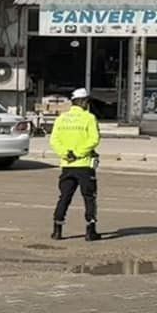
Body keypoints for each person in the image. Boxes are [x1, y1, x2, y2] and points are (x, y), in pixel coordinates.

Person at [50, 88, 101, 242]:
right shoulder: (89, 118)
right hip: (84, 165)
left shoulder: (61, 119)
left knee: (64, 197)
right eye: (87, 101)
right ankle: (90, 231)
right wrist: (78, 153)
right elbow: (94, 139)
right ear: (83, 101)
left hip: (67, 165)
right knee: (89, 197)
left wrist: (66, 153)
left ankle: (57, 230)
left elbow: (54, 140)